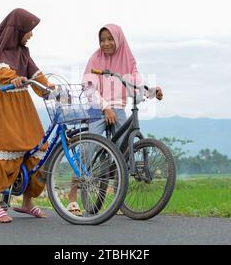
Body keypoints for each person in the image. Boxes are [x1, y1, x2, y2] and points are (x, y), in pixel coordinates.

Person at [66, 24, 164, 215]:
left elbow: (135, 83)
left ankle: (118, 192)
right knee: (89, 147)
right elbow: (88, 87)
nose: (106, 43)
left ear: (119, 39)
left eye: (110, 39)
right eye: (102, 40)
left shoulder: (128, 59)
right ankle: (72, 196)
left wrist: (152, 91)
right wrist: (104, 107)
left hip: (118, 109)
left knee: (124, 149)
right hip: (97, 108)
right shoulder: (95, 58)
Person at [0, 8, 54, 223]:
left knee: (39, 148)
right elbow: (1, 71)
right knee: (7, 148)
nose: (31, 34)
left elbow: (35, 73)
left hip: (22, 104)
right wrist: (12, 77)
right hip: (2, 104)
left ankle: (27, 201)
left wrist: (49, 88)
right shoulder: (1, 51)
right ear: (18, 29)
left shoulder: (23, 52)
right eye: (29, 30)